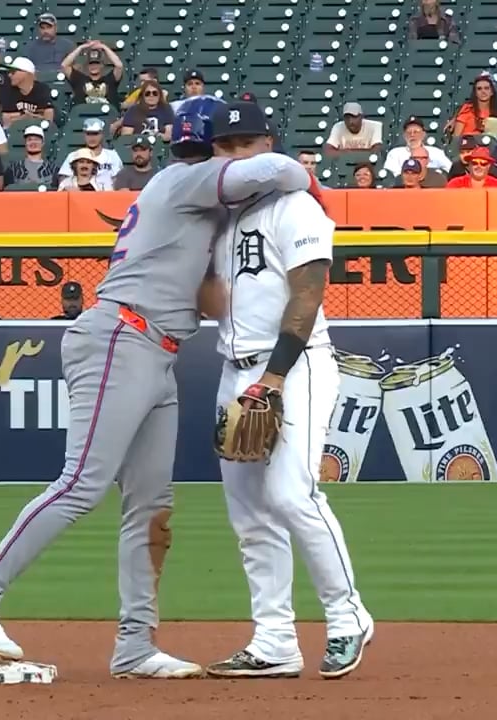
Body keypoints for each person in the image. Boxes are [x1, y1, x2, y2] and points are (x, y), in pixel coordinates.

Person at [0, 95, 325, 680]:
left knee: (151, 507)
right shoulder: (185, 180)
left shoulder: (203, 213)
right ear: (210, 150)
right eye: (225, 145)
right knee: (82, 483)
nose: (230, 157)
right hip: (120, 336)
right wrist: (301, 181)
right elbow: (280, 170)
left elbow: (211, 300)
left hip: (156, 349)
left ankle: (136, 645)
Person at [198, 101, 372, 681]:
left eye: (247, 143)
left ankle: (348, 618)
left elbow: (308, 294)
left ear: (268, 145)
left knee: (292, 493)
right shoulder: (219, 220)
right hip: (234, 368)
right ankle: (274, 640)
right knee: (249, 514)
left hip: (296, 367)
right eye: (226, 145)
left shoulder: (295, 207)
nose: (237, 153)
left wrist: (272, 377)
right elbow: (214, 306)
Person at [21, 13, 74, 78]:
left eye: (49, 27)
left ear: (56, 28)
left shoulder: (67, 45)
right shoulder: (29, 47)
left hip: (62, 80)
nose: (45, 31)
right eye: (42, 28)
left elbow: (75, 68)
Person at [450, 74, 497, 139]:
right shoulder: (467, 110)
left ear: (492, 92)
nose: (483, 91)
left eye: (486, 88)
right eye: (479, 89)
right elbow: (456, 138)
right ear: (475, 93)